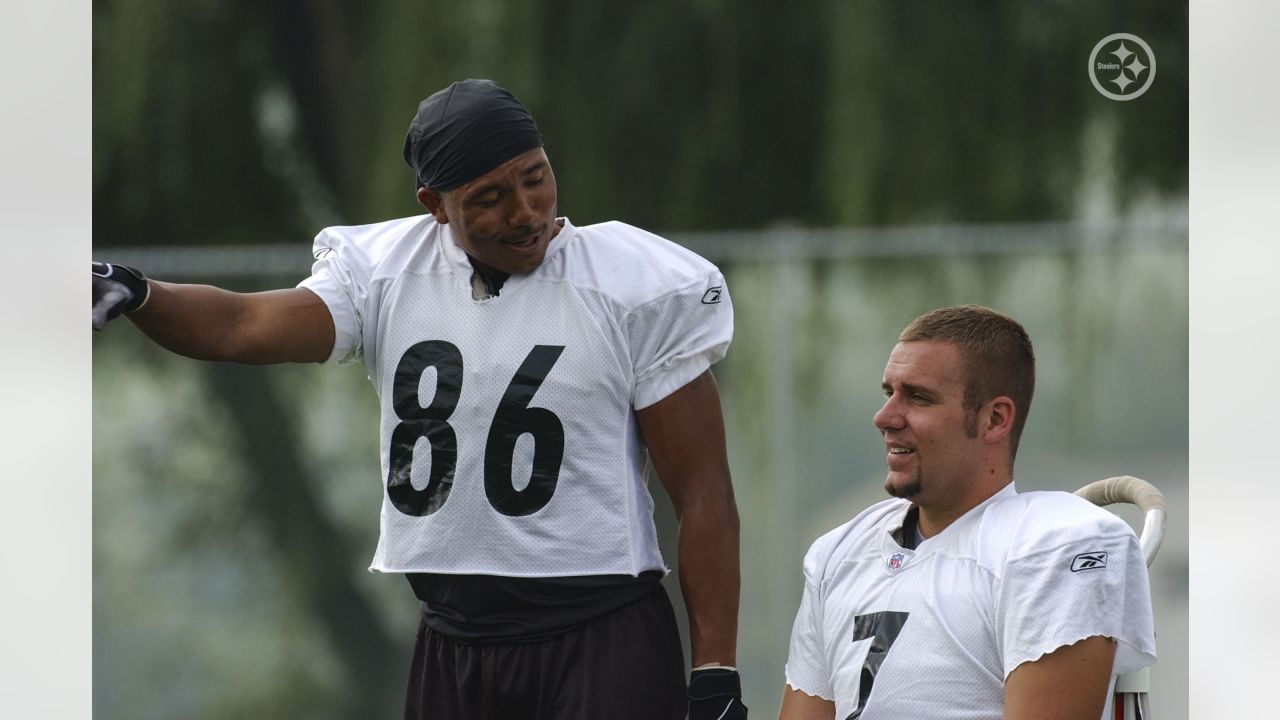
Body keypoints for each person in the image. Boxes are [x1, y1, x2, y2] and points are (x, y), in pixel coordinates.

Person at [93, 78, 748, 720]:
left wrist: (714, 671)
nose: (525, 211)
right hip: (452, 640)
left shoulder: (633, 284)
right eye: (490, 197)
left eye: (535, 177)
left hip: (600, 636)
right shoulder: (384, 274)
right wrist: (142, 293)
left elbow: (702, 490)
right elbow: (240, 326)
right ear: (435, 206)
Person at [777, 305, 1156, 720]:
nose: (885, 417)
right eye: (890, 393)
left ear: (995, 420)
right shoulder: (838, 553)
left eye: (918, 397)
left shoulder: (1056, 543)